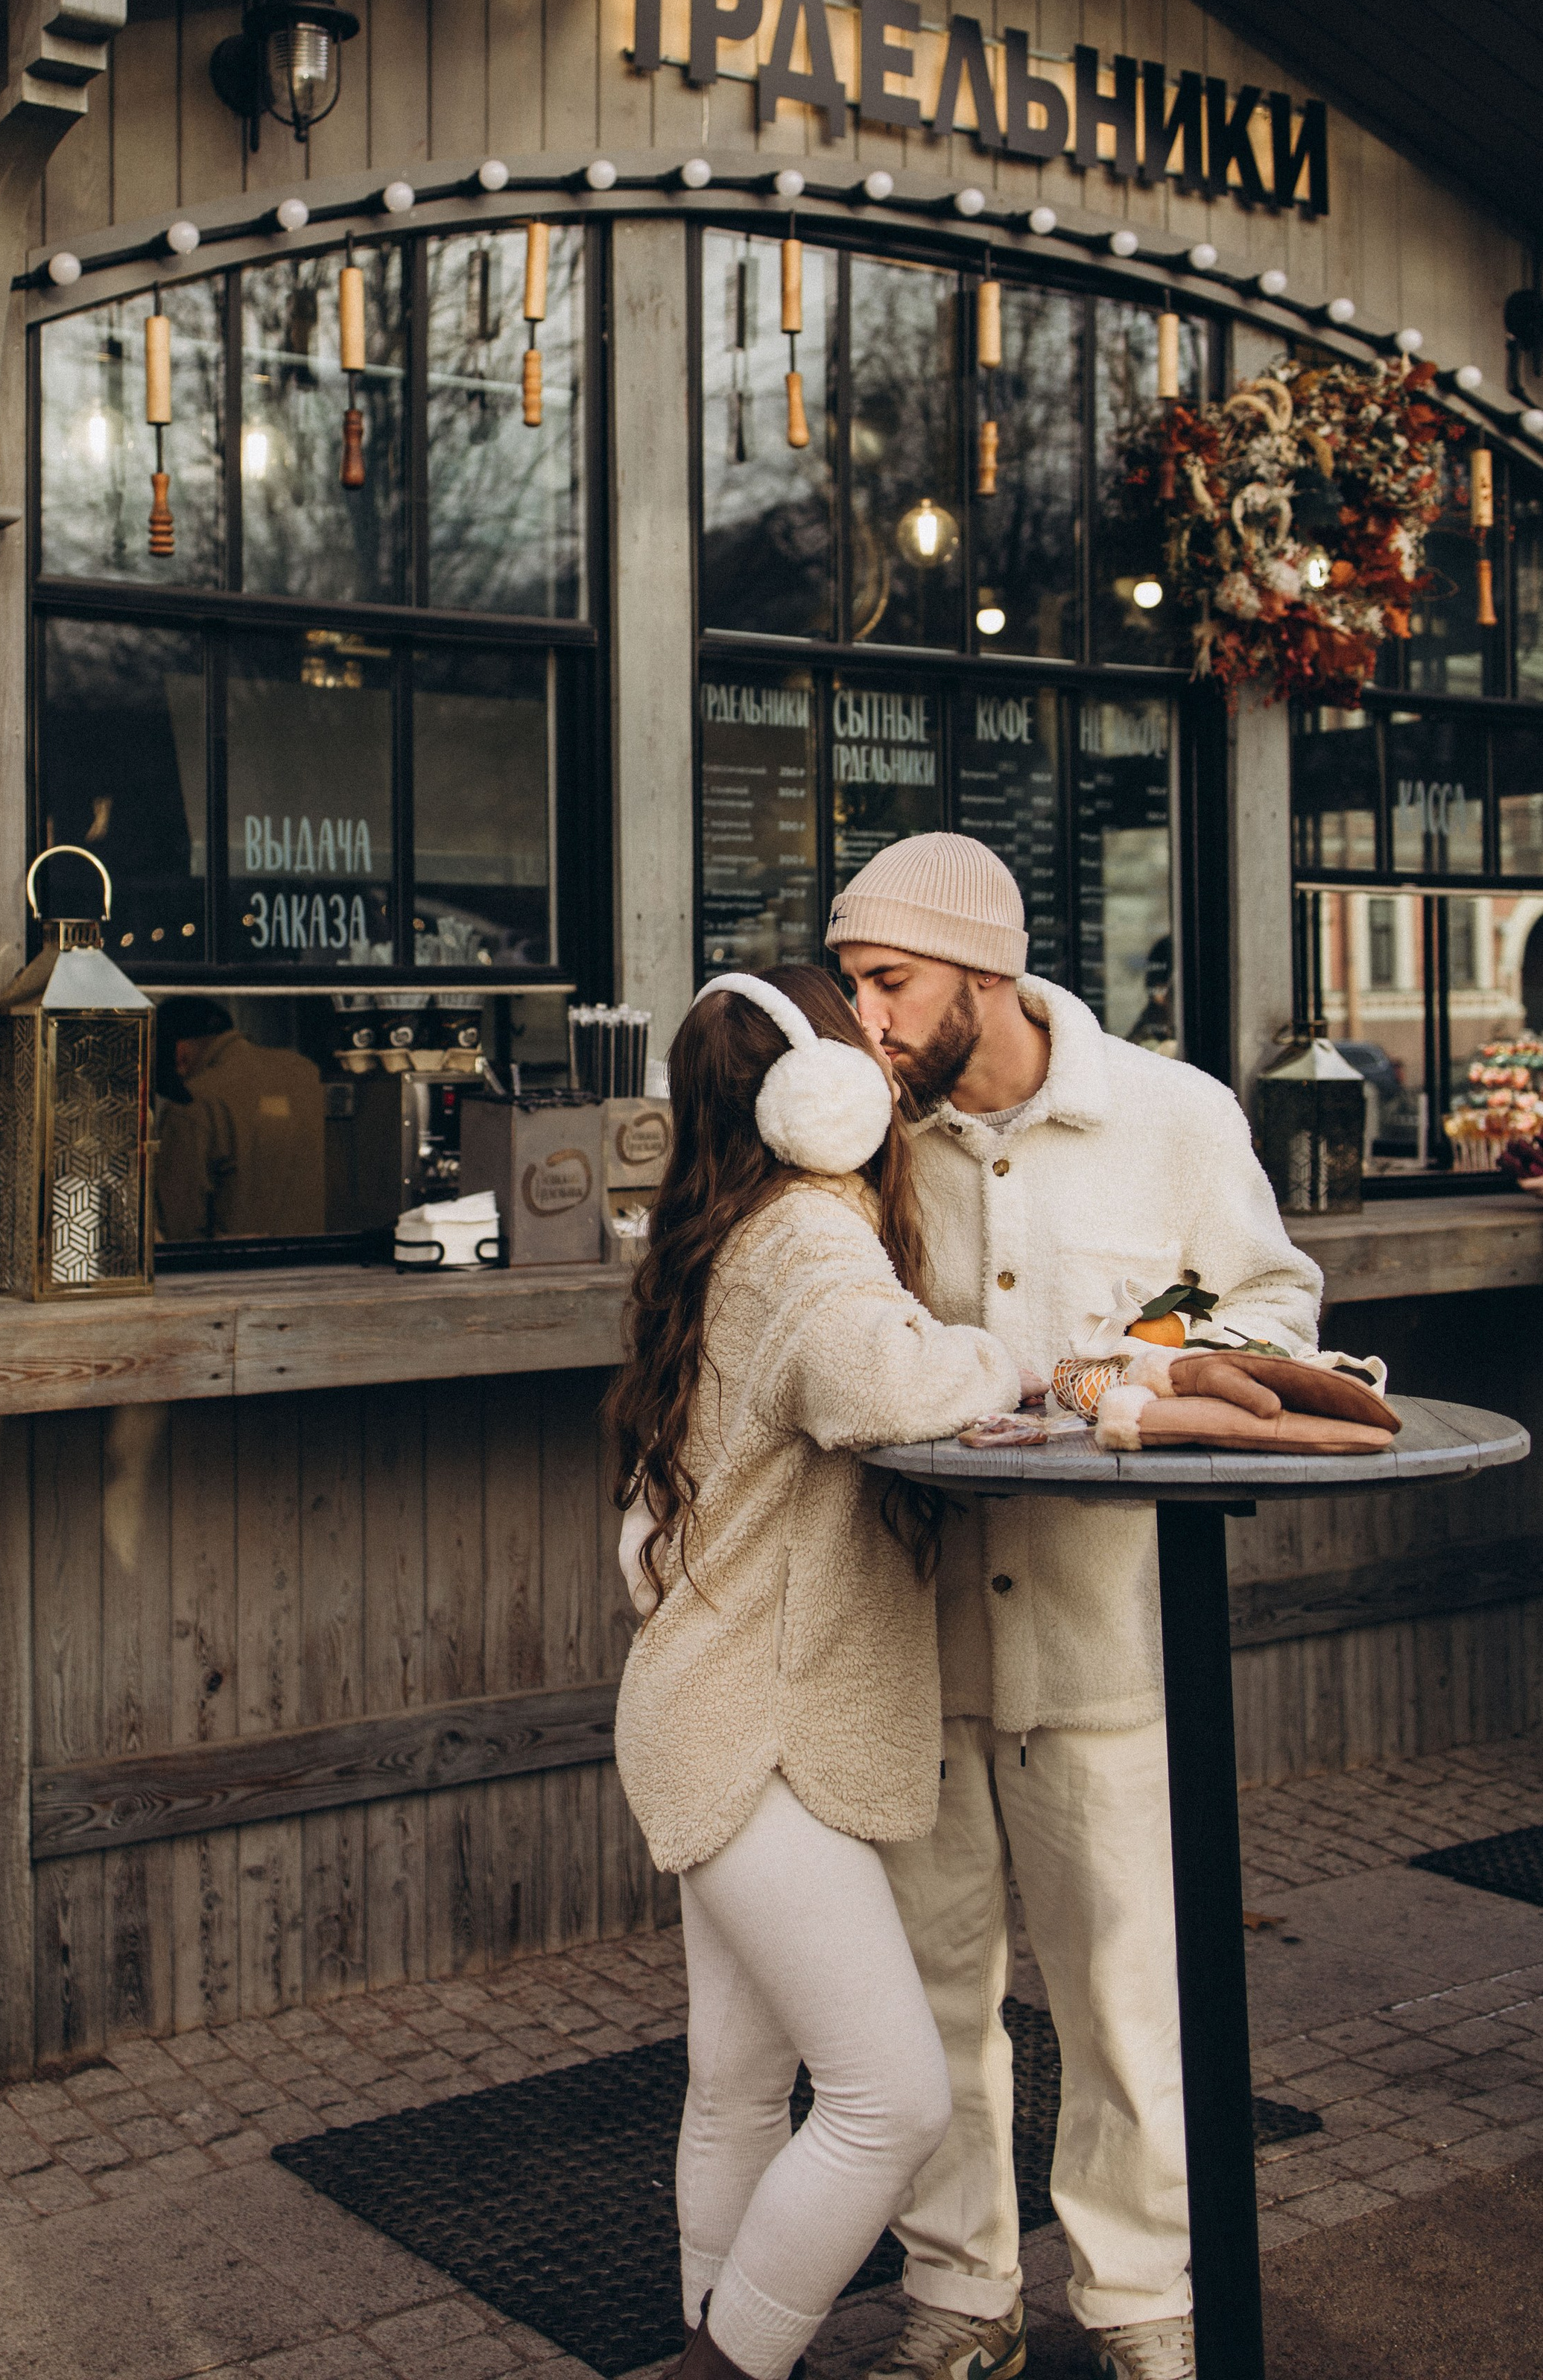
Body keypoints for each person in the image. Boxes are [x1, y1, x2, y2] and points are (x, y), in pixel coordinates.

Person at [826, 835, 1322, 2380]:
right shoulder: (861, 1139)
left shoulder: (1174, 1116)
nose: (865, 1019)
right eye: (848, 984)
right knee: (926, 2007)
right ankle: (958, 2302)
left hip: (1106, 1641)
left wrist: (1142, 1359)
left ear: (985, 974)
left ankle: (1140, 2309)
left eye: (887, 982)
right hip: (906, 1636)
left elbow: (1276, 1305)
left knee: (1124, 2004)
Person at [609, 965, 1028, 2380]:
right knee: (888, 2100)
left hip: (707, 1697)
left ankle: (714, 2343)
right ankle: (729, 2367)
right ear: (825, 1100)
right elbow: (886, 1386)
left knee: (739, 2089)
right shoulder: (809, 1238)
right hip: (754, 1721)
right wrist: (1018, 1359)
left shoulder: (737, 1227)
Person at [151, 995, 326, 1243]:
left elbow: (181, 1228)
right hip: (330, 1258)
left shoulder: (193, 1101)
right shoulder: (306, 1070)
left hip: (236, 1270)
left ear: (181, 1055)